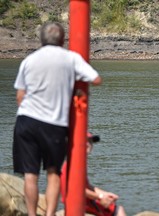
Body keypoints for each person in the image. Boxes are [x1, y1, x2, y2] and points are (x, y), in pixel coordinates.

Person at [13, 22, 102, 216]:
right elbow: (96, 79)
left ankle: (31, 214)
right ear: (63, 40)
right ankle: (50, 214)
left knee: (30, 175)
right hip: (53, 123)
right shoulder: (70, 58)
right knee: (53, 173)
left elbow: (20, 96)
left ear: (41, 40)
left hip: (26, 120)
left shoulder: (29, 60)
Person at [60, 133, 126, 216]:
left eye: (90, 141)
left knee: (116, 208)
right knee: (118, 210)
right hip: (78, 203)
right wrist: (100, 196)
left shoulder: (78, 161)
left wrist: (105, 194)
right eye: (85, 141)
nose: (89, 144)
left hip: (84, 202)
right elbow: (78, 189)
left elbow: (86, 186)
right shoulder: (74, 164)